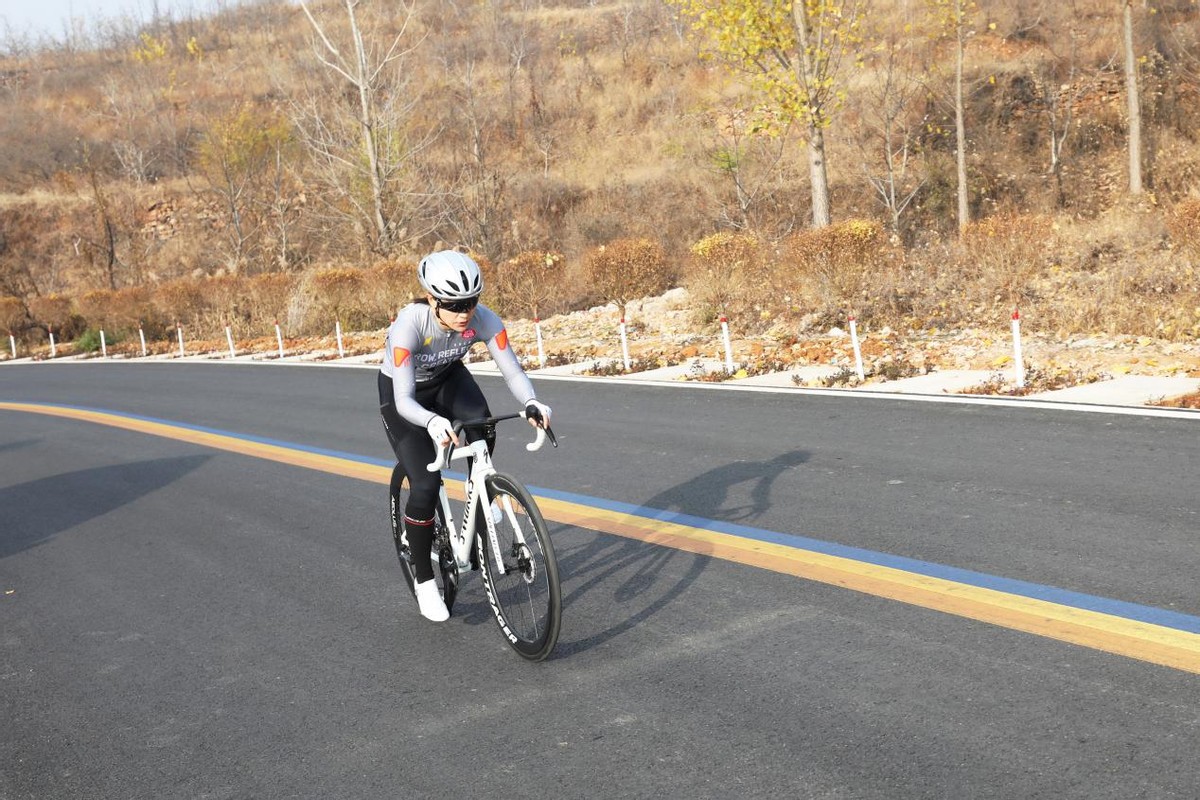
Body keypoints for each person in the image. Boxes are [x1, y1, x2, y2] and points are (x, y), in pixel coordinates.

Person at [378, 249, 552, 622]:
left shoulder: (484, 319)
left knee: (482, 424)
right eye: (455, 305)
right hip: (404, 395)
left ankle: (481, 491)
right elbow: (404, 400)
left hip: (447, 378)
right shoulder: (409, 326)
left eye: (471, 302)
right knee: (425, 485)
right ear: (431, 299)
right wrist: (430, 422)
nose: (465, 313)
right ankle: (425, 581)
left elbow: (512, 371)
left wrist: (532, 402)